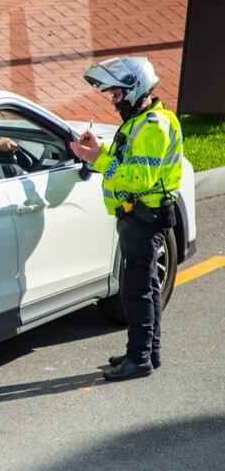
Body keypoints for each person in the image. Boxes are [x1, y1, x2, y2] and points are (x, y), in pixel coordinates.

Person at [70, 56, 183, 381]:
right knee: (145, 289)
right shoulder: (145, 121)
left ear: (135, 90)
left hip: (143, 220)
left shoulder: (151, 127)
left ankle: (139, 359)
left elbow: (140, 178)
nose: (113, 101)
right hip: (141, 219)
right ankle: (148, 351)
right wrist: (100, 151)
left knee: (136, 293)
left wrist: (98, 161)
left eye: (117, 95)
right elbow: (129, 160)